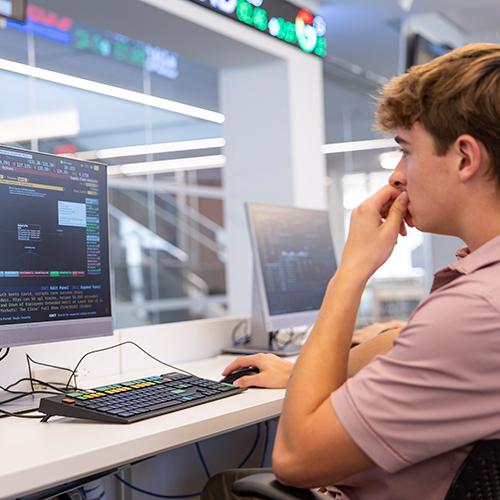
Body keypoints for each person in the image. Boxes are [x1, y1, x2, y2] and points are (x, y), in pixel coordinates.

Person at [201, 42, 500, 500]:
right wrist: (301, 371)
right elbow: (406, 342)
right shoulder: (480, 292)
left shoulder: (474, 310)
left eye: (406, 151)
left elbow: (297, 459)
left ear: (464, 158)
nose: (397, 177)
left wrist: (351, 273)